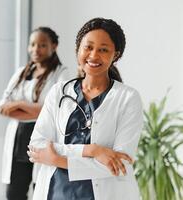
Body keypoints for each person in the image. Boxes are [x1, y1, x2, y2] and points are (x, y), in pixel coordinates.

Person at [28, 18, 143, 200]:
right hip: (57, 192)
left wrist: (57, 159)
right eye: (88, 47)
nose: (94, 55)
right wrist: (92, 151)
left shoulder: (128, 98)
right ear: (78, 49)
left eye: (103, 49)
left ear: (116, 55)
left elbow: (121, 162)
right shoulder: (59, 91)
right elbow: (36, 146)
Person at [0, 27, 69, 200]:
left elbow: (56, 109)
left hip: (42, 140)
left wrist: (20, 104)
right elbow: (2, 107)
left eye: (42, 45)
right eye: (32, 44)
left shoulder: (61, 74)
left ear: (54, 46)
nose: (36, 49)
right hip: (19, 140)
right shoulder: (22, 72)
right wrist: (36, 109)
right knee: (14, 193)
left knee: (42, 190)